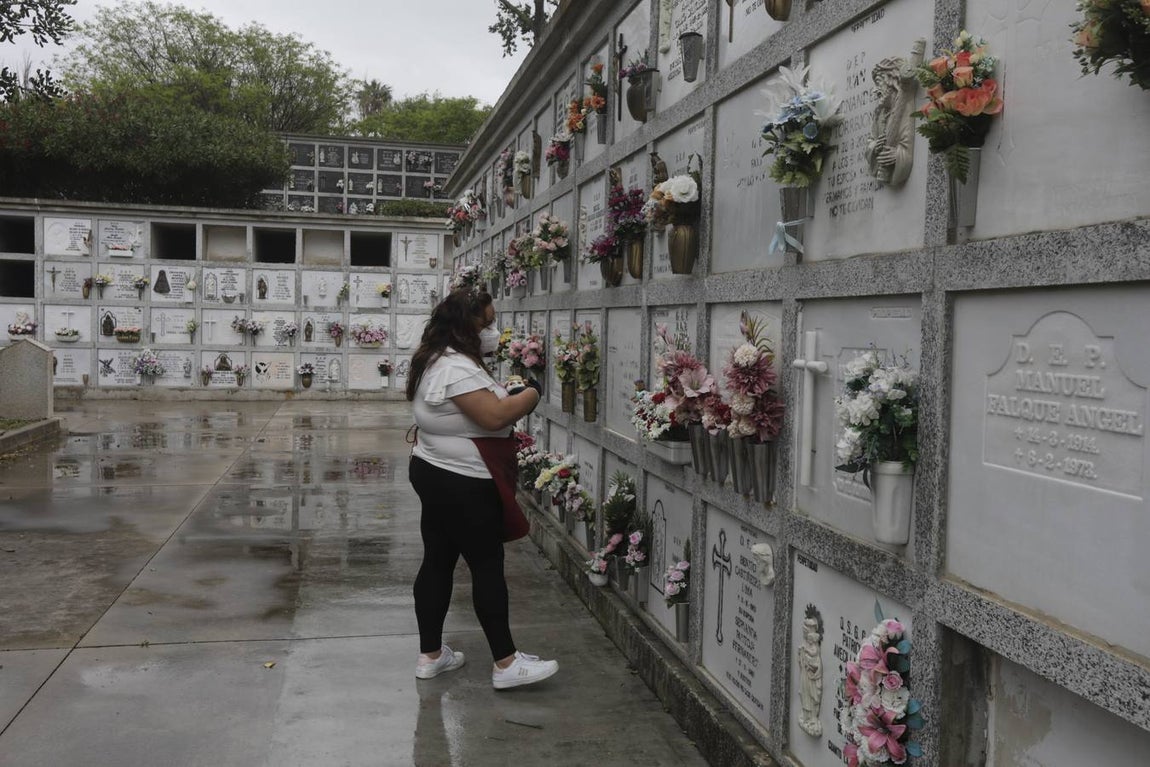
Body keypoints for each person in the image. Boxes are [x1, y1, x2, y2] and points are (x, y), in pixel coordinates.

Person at [405, 288, 559, 690]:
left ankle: (432, 655)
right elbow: (493, 416)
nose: (492, 331)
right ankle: (506, 663)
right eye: (486, 323)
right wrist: (531, 393)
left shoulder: (433, 357)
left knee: (438, 560)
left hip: (434, 470)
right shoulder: (455, 368)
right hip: (463, 480)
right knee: (486, 565)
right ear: (464, 324)